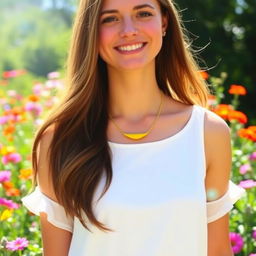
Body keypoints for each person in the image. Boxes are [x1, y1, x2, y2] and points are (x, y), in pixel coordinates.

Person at [21, 0, 246, 255]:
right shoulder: (60, 140)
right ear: (91, 31)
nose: (129, 29)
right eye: (110, 19)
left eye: (143, 13)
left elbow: (217, 250)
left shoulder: (207, 133)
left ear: (164, 22)